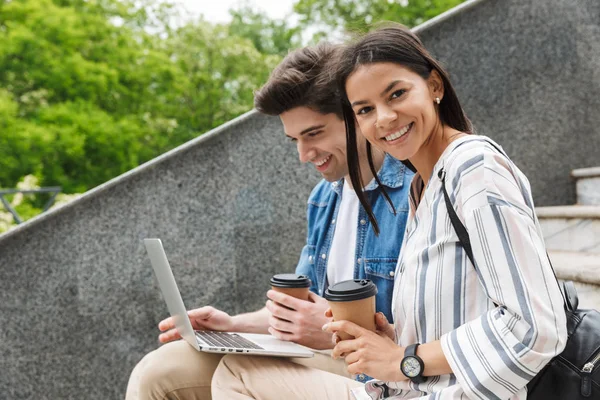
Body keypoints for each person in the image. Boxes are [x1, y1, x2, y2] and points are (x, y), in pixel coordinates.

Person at [211, 24, 567, 400]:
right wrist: (388, 340)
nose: (383, 118)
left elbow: (536, 326)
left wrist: (404, 358)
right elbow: (453, 320)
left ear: (434, 86)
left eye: (396, 94)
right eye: (365, 109)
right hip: (412, 389)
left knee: (238, 374)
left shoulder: (474, 166)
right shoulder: (423, 188)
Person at [129, 42, 413, 400]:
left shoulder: (412, 195)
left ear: (358, 114)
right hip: (328, 354)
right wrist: (233, 324)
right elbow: (298, 312)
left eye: (314, 134)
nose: (303, 155)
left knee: (241, 374)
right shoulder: (325, 198)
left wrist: (330, 332)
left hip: (383, 372)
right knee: (159, 371)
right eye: (294, 139)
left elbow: (430, 331)